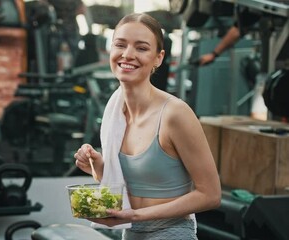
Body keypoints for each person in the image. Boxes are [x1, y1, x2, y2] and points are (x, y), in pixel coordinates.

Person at [73, 13, 221, 239]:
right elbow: (128, 180)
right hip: (131, 233)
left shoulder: (174, 114)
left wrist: (137, 216)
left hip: (171, 232)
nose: (128, 54)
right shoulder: (115, 110)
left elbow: (210, 194)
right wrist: (97, 165)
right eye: (120, 45)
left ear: (158, 58)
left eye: (141, 48)